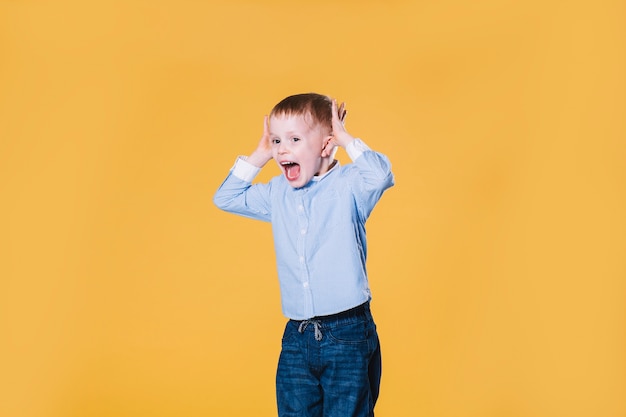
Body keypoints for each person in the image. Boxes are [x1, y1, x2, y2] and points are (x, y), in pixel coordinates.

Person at [213, 92, 394, 417]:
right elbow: (226, 198)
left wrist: (344, 138)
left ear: (326, 145)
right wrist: (259, 154)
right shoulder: (278, 193)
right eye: (276, 139)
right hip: (297, 335)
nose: (282, 148)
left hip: (347, 331)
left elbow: (380, 175)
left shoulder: (349, 186)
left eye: (294, 139)